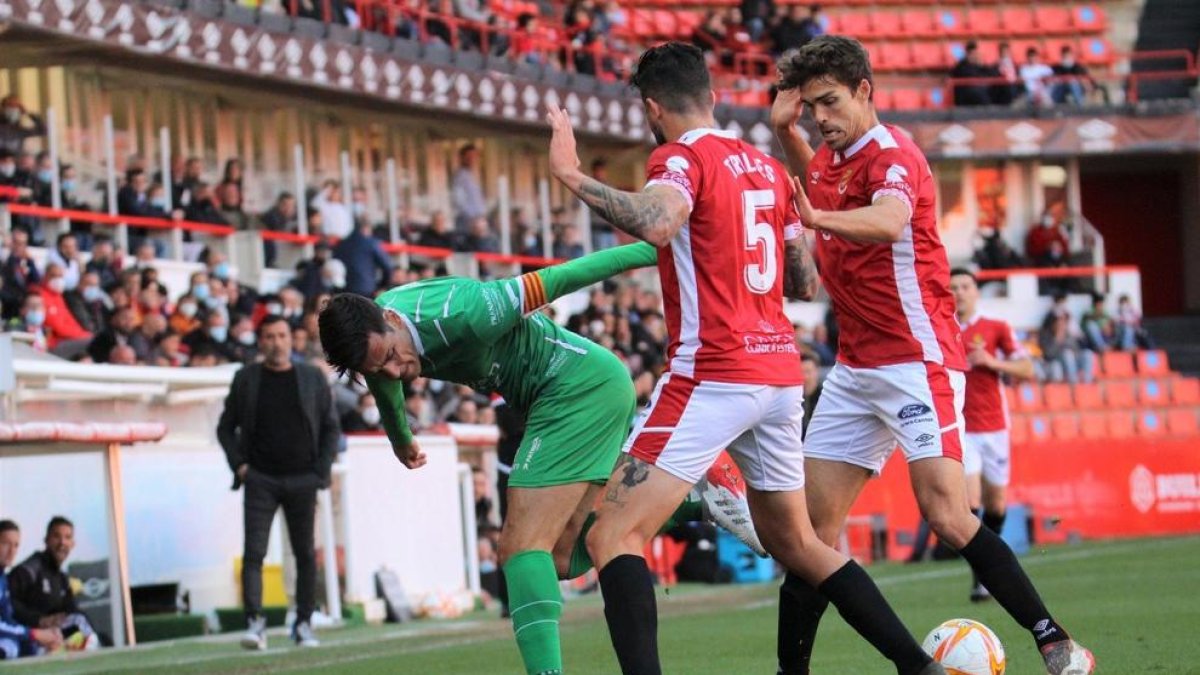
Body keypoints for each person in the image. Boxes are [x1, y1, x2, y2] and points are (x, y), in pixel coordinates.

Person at [549, 41, 941, 675]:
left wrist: (572, 175)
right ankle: (919, 666)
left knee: (612, 535)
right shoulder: (763, 164)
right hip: (780, 374)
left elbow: (657, 221)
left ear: (653, 108)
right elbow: (803, 282)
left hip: (713, 371)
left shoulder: (677, 157)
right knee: (799, 543)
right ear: (710, 96)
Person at [771, 35, 1094, 674]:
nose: (822, 118)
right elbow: (815, 181)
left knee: (947, 514)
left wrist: (814, 218)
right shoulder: (831, 156)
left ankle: (1052, 637)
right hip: (856, 366)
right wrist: (786, 131)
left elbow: (888, 221)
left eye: (830, 103)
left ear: (865, 91)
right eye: (811, 108)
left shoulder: (895, 155)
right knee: (806, 537)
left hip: (917, 359)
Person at [318, 243, 760, 675]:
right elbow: (387, 389)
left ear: (392, 319)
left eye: (392, 357)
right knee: (564, 557)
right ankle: (692, 498)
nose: (394, 372)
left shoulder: (467, 310)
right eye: (377, 369)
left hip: (574, 386)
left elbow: (564, 277)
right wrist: (401, 438)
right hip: (560, 397)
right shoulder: (375, 340)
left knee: (519, 546)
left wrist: (663, 250)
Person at [217, 315, 340, 651]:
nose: (276, 342)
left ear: (292, 339)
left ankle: (302, 623)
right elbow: (225, 427)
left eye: (282, 335)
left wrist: (321, 470)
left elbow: (331, 428)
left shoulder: (312, 377)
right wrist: (239, 465)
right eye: (269, 336)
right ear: (260, 341)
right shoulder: (246, 379)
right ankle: (254, 624)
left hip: (304, 478)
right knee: (254, 553)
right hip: (260, 478)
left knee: (304, 554)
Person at [950, 268, 1035, 602]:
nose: (959, 292)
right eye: (953, 287)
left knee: (996, 505)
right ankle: (981, 577)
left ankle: (986, 571)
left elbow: (1027, 368)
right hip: (961, 426)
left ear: (975, 291)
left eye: (965, 286)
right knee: (970, 503)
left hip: (995, 425)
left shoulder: (996, 327)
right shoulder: (942, 327)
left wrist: (992, 362)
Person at [7, 517, 99, 651]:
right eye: (57, 536)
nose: (62, 543)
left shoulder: (62, 578)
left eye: (67, 537)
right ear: (46, 540)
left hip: (51, 637)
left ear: (73, 544)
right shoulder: (31, 569)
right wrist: (39, 620)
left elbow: (74, 612)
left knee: (85, 630)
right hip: (25, 637)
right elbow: (7, 602)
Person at [1, 520, 63, 659]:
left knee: (30, 645)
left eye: (16, 545)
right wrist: (34, 633)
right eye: (5, 543)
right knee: (10, 646)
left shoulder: (3, 579)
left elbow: (8, 620)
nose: (11, 551)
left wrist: (41, 636)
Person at [333, 217, 393, 297]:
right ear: (366, 228)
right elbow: (387, 266)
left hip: (345, 289)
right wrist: (382, 285)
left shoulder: (342, 244)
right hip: (367, 289)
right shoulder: (372, 243)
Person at [451, 144, 487, 232]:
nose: (472, 159)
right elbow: (458, 200)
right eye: (469, 157)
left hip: (477, 221)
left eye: (474, 157)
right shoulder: (460, 176)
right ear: (462, 158)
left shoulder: (471, 175)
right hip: (468, 222)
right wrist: (473, 219)